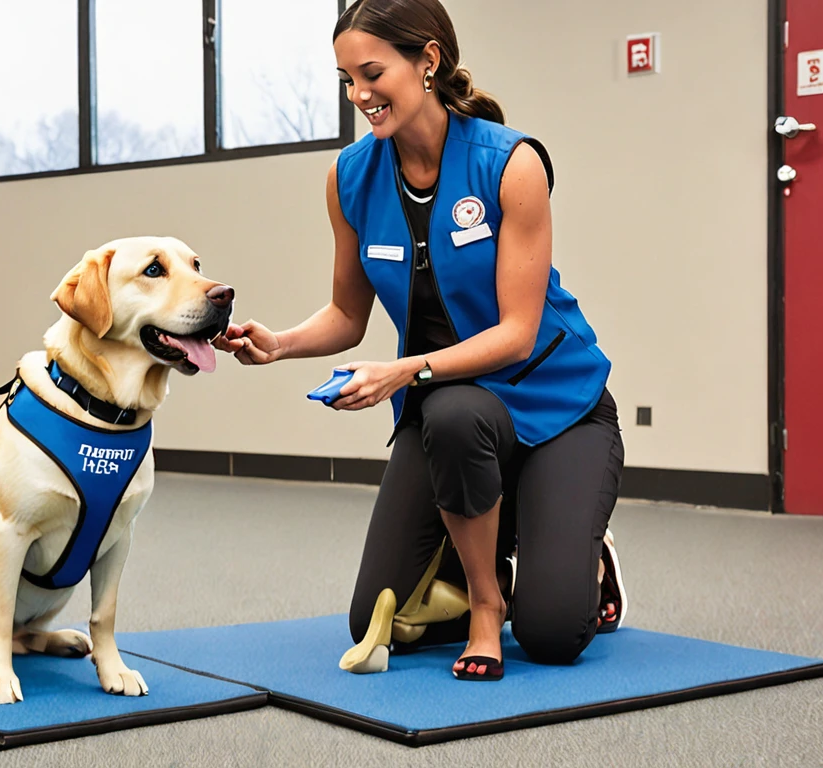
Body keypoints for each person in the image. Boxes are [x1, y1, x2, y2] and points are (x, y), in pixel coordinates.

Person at [212, 0, 627, 681]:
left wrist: (403, 370)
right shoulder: (350, 176)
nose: (358, 95)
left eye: (372, 73)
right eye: (346, 79)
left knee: (554, 633)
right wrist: (278, 343)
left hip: (558, 410)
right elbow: (349, 314)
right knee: (377, 617)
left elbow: (518, 336)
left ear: (427, 60)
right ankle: (486, 585)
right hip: (455, 416)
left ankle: (579, 557)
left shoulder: (510, 164)